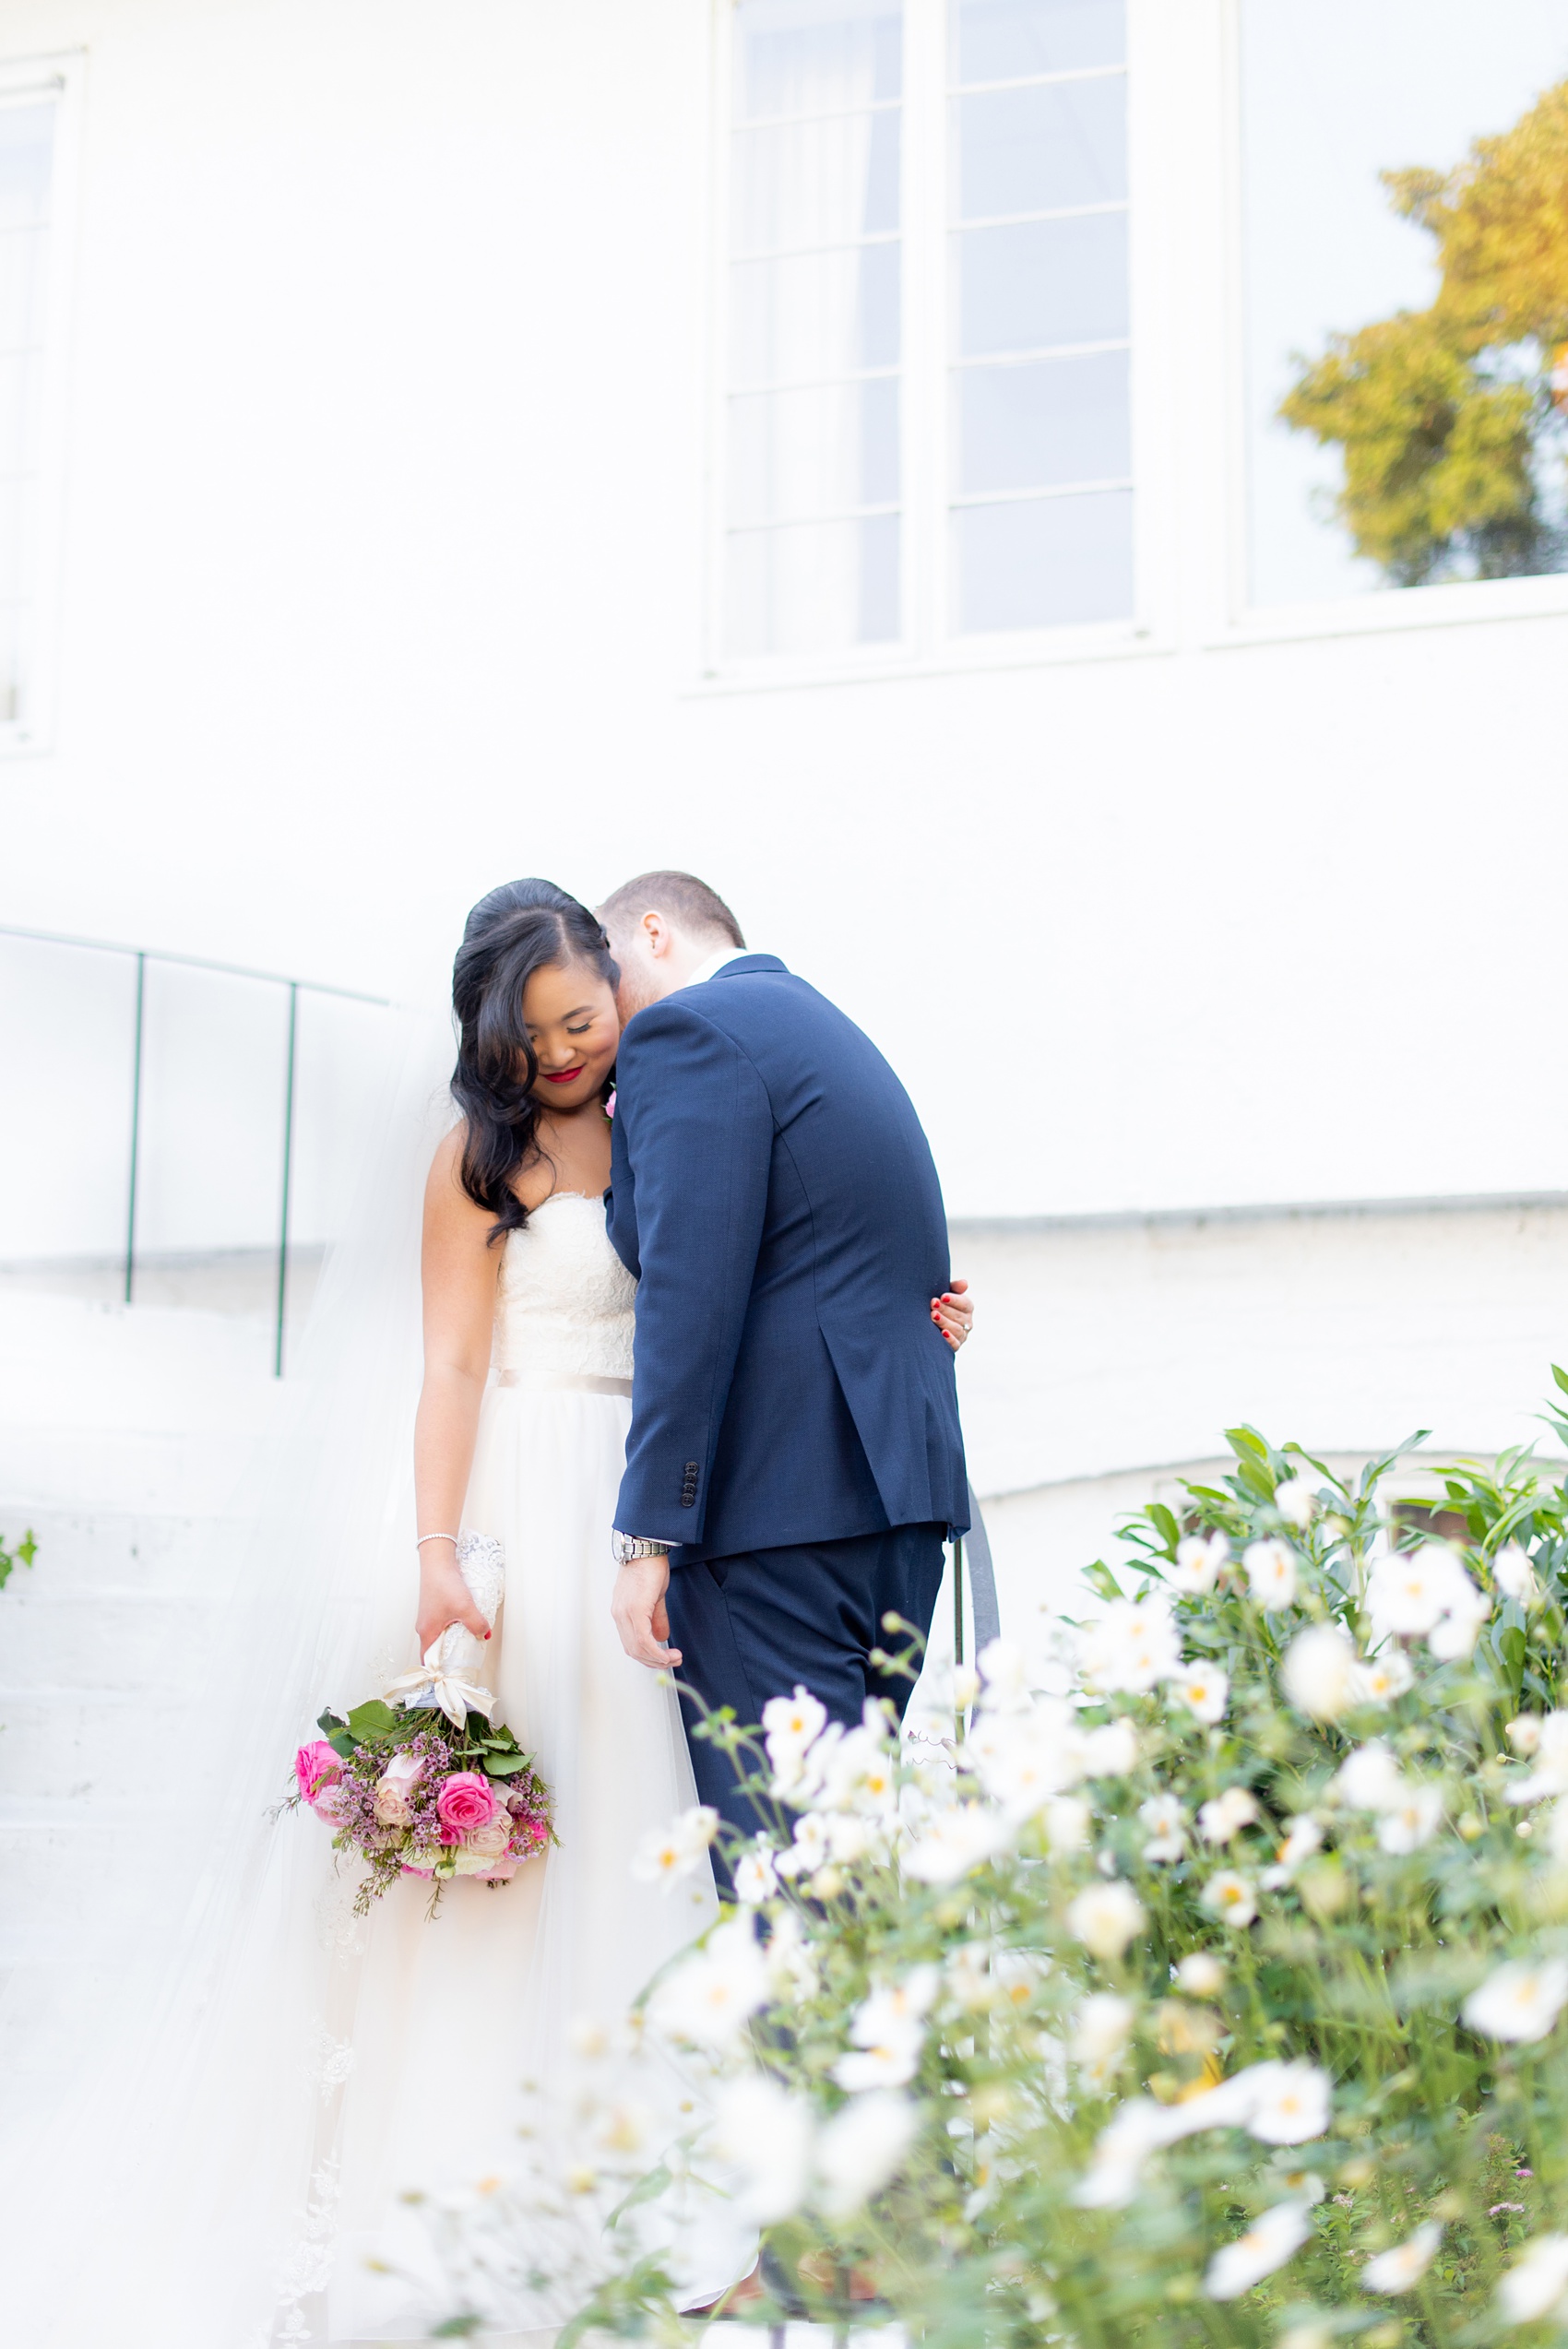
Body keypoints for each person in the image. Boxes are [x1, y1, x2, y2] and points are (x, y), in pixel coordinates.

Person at [596, 872, 970, 1863]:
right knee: (843, 1871)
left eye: (609, 978)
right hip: (892, 1507)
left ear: (652, 932)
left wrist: (646, 1532)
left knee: (791, 1884)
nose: (606, 1018)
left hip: (775, 1518)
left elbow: (682, 1287)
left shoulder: (687, 1034)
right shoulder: (825, 1029)